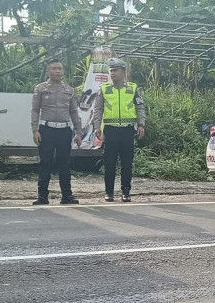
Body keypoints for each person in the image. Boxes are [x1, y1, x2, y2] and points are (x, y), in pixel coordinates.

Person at [30, 58, 83, 205]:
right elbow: (35, 110)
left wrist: (79, 132)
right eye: (54, 68)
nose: (58, 71)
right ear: (48, 71)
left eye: (60, 68)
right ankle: (42, 196)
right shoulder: (40, 88)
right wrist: (35, 130)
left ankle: (67, 196)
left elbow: (74, 112)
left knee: (64, 163)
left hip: (64, 131)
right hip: (46, 130)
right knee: (45, 163)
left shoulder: (69, 90)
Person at [93, 58, 146, 202]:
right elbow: (98, 109)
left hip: (128, 131)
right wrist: (97, 126)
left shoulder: (133, 89)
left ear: (123, 72)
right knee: (109, 162)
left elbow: (140, 107)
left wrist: (141, 124)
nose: (112, 73)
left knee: (127, 163)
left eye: (115, 70)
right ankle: (109, 192)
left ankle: (126, 191)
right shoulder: (104, 89)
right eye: (111, 71)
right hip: (110, 131)